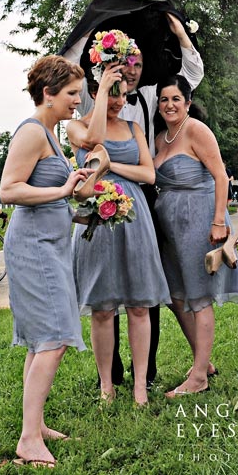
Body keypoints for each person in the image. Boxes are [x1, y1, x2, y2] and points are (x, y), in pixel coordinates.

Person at [77, 13, 204, 389]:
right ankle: (111, 377)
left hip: (143, 194)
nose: (130, 71)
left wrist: (180, 32)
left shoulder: (149, 98)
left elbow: (191, 76)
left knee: (146, 289)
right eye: (123, 63)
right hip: (99, 194)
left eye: (137, 64)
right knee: (106, 290)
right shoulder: (91, 93)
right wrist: (90, 34)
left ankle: (144, 376)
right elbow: (69, 70)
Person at [0, 55, 94, 468]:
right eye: (73, 93)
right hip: (33, 248)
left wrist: (84, 210)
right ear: (48, 92)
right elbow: (9, 191)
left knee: (42, 339)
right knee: (54, 337)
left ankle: (35, 426)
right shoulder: (32, 132)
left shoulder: (52, 135)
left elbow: (52, 193)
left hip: (52, 242)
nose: (78, 100)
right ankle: (27, 441)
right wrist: (63, 193)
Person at [67, 65, 170, 406]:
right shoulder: (77, 127)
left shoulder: (134, 127)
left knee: (140, 305)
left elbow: (148, 173)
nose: (119, 101)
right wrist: (101, 95)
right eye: (112, 93)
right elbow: (91, 145)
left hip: (133, 215)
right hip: (95, 216)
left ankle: (140, 384)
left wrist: (111, 167)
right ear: (94, 93)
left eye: (123, 94)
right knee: (102, 308)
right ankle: (106, 386)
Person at [152, 75, 238, 397]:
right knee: (177, 297)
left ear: (188, 102)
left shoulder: (196, 130)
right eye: (164, 99)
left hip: (200, 219)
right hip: (169, 227)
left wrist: (219, 222)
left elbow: (220, 175)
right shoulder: (160, 137)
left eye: (176, 98)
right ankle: (202, 362)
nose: (170, 105)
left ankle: (198, 378)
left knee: (199, 297)